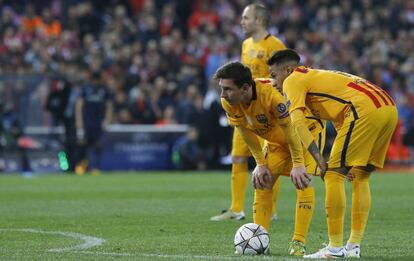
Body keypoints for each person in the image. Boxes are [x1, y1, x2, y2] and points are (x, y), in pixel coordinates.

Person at [268, 49, 398, 258]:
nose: (272, 81)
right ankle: (353, 246)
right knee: (360, 176)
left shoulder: (293, 80)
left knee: (332, 175)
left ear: (288, 70)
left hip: (362, 109)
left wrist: (319, 158)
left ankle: (334, 248)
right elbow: (339, 117)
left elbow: (297, 122)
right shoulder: (316, 76)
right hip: (388, 106)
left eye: (274, 75)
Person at [214, 61, 325, 256]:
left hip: (304, 135)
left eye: (228, 89)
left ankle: (298, 242)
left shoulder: (272, 96)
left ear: (245, 88)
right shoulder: (228, 102)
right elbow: (245, 132)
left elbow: (291, 131)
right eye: (222, 89)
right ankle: (258, 237)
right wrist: (260, 163)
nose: (223, 94)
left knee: (303, 181)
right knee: (262, 181)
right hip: (275, 143)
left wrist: (298, 164)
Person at [210, 3, 286, 222]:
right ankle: (236, 209)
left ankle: (270, 210)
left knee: (271, 159)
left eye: (246, 18)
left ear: (259, 20)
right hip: (243, 109)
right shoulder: (245, 45)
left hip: (266, 110)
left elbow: (283, 77)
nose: (242, 21)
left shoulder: (274, 44)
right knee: (237, 156)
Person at [75, 72, 113, 175]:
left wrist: (107, 120)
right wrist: (79, 121)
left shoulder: (104, 90)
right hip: (87, 122)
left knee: (98, 145)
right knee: (83, 144)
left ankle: (95, 168)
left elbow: (109, 106)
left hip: (98, 122)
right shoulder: (86, 89)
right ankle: (81, 167)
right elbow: (79, 105)